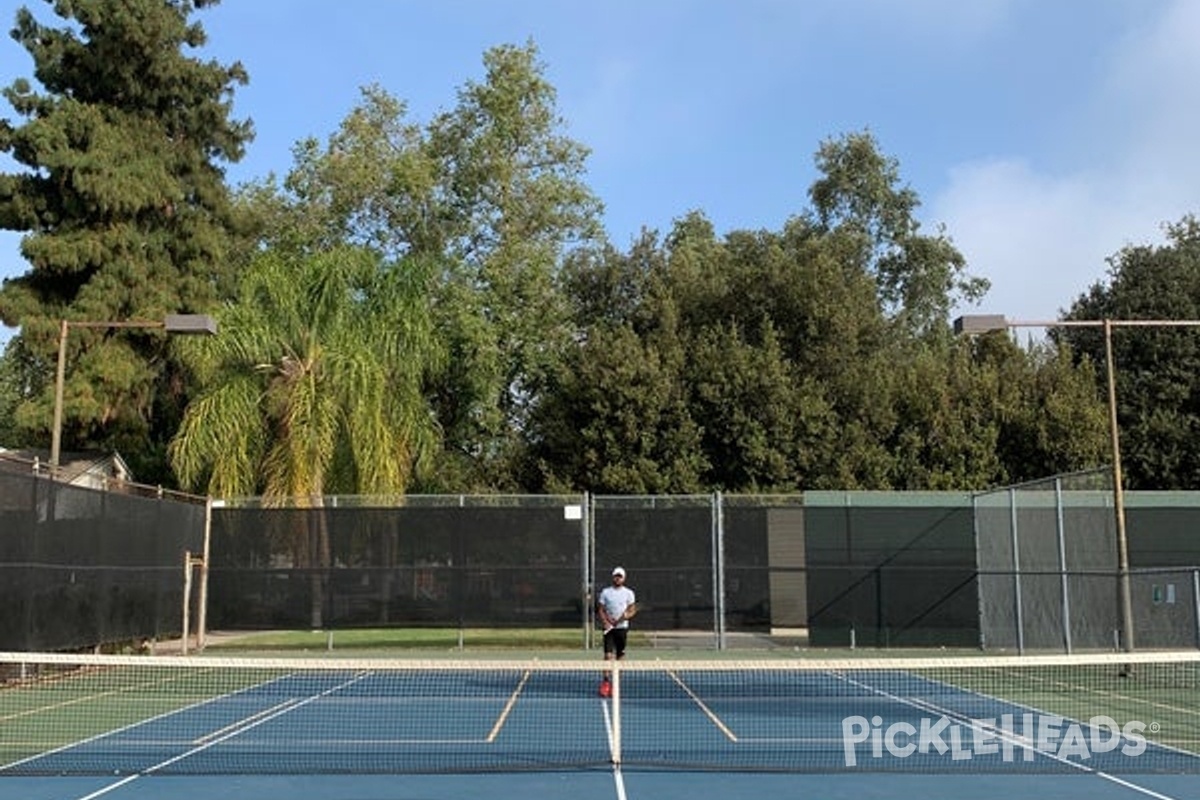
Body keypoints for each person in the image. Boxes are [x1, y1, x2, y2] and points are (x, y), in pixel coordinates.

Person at [596, 566, 636, 697]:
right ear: (613, 577)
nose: (618, 578)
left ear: (624, 578)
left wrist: (625, 617)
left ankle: (616, 683)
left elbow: (632, 610)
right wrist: (606, 622)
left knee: (620, 655)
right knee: (608, 655)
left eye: (620, 576)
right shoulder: (605, 592)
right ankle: (606, 683)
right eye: (616, 576)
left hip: (622, 628)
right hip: (609, 629)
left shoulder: (629, 593)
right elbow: (601, 609)